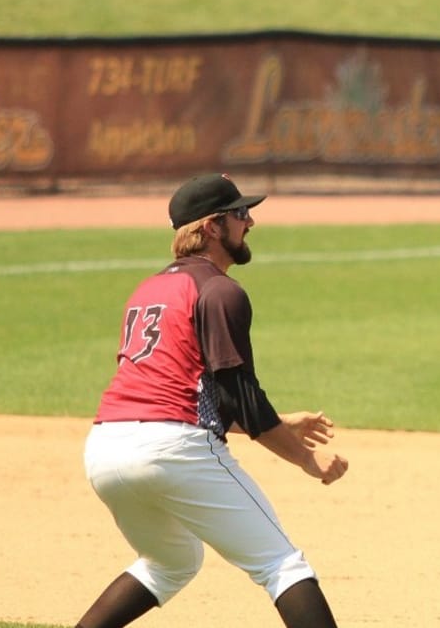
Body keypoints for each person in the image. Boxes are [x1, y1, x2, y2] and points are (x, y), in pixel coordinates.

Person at [76, 173, 349, 628]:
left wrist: (278, 420)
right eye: (240, 214)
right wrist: (306, 458)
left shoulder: (149, 290)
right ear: (211, 228)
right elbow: (241, 397)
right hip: (173, 450)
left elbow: (182, 391)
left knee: (170, 561)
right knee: (282, 565)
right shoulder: (221, 291)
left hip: (105, 449)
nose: (251, 222)